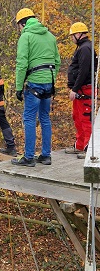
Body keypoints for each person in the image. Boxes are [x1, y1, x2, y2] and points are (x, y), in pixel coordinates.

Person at [12, 8, 61, 167]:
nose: (19, 29)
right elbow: (57, 62)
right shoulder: (50, 36)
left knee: (29, 119)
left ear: (23, 23)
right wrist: (50, 78)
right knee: (45, 118)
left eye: (19, 26)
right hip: (48, 83)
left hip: (34, 83)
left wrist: (18, 87)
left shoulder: (26, 37)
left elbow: (21, 64)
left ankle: (29, 157)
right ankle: (46, 156)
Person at [65, 22, 97, 159]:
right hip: (81, 90)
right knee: (77, 117)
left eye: (73, 35)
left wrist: (75, 88)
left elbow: (83, 71)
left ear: (79, 34)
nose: (72, 38)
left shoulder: (85, 49)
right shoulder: (82, 47)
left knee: (85, 119)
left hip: (85, 89)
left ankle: (88, 148)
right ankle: (80, 145)